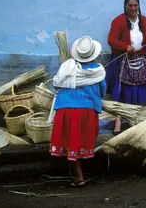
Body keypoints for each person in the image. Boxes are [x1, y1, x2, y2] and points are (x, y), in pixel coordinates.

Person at [50, 36, 107, 187]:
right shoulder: (98, 71)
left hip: (65, 109)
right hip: (86, 111)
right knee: (79, 140)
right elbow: (103, 90)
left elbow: (56, 85)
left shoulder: (66, 67)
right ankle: (78, 174)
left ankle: (76, 172)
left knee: (70, 140)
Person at [106, 0, 146, 134]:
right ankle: (118, 122)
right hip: (122, 60)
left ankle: (133, 120)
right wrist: (125, 47)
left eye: (135, 5)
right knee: (121, 92)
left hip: (140, 60)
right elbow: (111, 40)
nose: (133, 8)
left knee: (137, 91)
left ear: (138, 6)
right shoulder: (118, 21)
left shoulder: (143, 20)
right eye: (130, 5)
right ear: (125, 6)